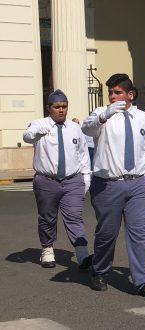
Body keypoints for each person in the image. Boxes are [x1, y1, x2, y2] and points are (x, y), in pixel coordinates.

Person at [81, 73, 145, 298]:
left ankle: (144, 280)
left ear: (130, 94)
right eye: (110, 92)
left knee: (140, 233)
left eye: (117, 92)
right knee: (107, 233)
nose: (112, 96)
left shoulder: (144, 119)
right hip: (108, 184)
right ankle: (100, 270)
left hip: (137, 183)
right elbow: (86, 129)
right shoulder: (101, 114)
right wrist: (104, 115)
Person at [23, 90, 93, 269]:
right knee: (47, 217)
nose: (61, 110)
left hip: (72, 180)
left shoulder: (75, 128)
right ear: (49, 108)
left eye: (64, 106)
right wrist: (37, 132)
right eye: (57, 107)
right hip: (47, 181)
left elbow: (83, 154)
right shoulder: (39, 124)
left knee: (75, 217)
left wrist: (86, 176)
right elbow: (27, 136)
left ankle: (82, 253)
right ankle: (47, 249)